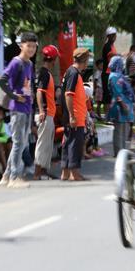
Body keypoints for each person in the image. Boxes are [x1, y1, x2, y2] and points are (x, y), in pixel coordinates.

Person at [0, 32, 37, 188]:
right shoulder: (16, 62)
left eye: (34, 46)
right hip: (17, 108)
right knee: (19, 142)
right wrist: (13, 95)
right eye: (29, 46)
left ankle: (6, 176)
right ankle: (14, 177)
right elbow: (1, 80)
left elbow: (28, 85)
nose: (31, 49)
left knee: (21, 142)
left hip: (27, 107)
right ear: (22, 46)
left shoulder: (30, 64)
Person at [61, 48, 91, 181]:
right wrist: (72, 116)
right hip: (75, 117)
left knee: (68, 143)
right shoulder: (73, 73)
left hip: (73, 115)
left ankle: (66, 172)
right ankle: (74, 172)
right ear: (84, 60)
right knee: (74, 144)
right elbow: (69, 95)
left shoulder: (71, 72)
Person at [33, 45, 58, 180]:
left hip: (49, 114)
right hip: (46, 114)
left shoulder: (44, 73)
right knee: (42, 144)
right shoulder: (44, 73)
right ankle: (37, 173)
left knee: (47, 144)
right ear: (53, 59)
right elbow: (39, 92)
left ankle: (43, 171)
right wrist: (42, 110)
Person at [107, 55, 135, 156]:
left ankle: (123, 152)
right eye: (121, 63)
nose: (122, 65)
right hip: (120, 107)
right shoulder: (114, 76)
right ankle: (119, 153)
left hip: (124, 106)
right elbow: (117, 93)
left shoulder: (118, 75)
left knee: (125, 129)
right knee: (119, 131)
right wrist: (123, 105)